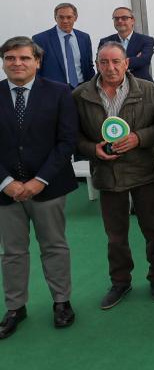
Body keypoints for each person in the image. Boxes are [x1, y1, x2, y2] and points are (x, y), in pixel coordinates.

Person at [73, 42, 154, 308]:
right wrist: (93, 149)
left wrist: (139, 137)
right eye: (104, 62)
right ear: (96, 65)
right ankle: (120, 282)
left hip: (145, 172)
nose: (110, 68)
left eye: (116, 62)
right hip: (107, 174)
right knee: (115, 236)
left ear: (127, 63)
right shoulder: (80, 95)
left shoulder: (149, 90)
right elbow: (72, 136)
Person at [0, 36, 78, 339]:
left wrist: (38, 181)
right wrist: (6, 183)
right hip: (5, 192)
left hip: (48, 187)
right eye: (10, 58)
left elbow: (66, 141)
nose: (17, 63)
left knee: (54, 246)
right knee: (12, 252)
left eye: (24, 58)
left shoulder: (59, 93)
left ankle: (62, 302)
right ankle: (15, 308)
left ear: (37, 61)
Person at [32, 2, 95, 87]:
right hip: (54, 90)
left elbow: (89, 65)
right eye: (61, 17)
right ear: (55, 18)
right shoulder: (40, 39)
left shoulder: (84, 38)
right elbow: (36, 68)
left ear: (75, 18)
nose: (65, 21)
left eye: (69, 17)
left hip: (82, 89)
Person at [100, 7, 154, 82]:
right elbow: (100, 63)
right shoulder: (105, 42)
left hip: (140, 85)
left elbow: (144, 60)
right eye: (116, 18)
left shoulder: (146, 40)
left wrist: (115, 63)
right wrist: (134, 59)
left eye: (124, 18)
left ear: (133, 20)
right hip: (113, 86)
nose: (120, 21)